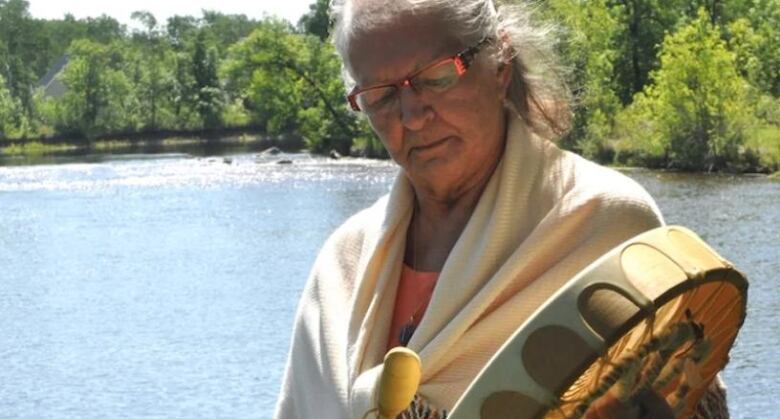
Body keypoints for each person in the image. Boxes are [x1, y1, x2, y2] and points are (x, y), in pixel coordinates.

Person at [274, 1, 728, 418]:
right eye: (381, 95)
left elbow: (685, 392)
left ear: (500, 63)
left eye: (435, 77)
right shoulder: (340, 267)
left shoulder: (604, 224)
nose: (412, 116)